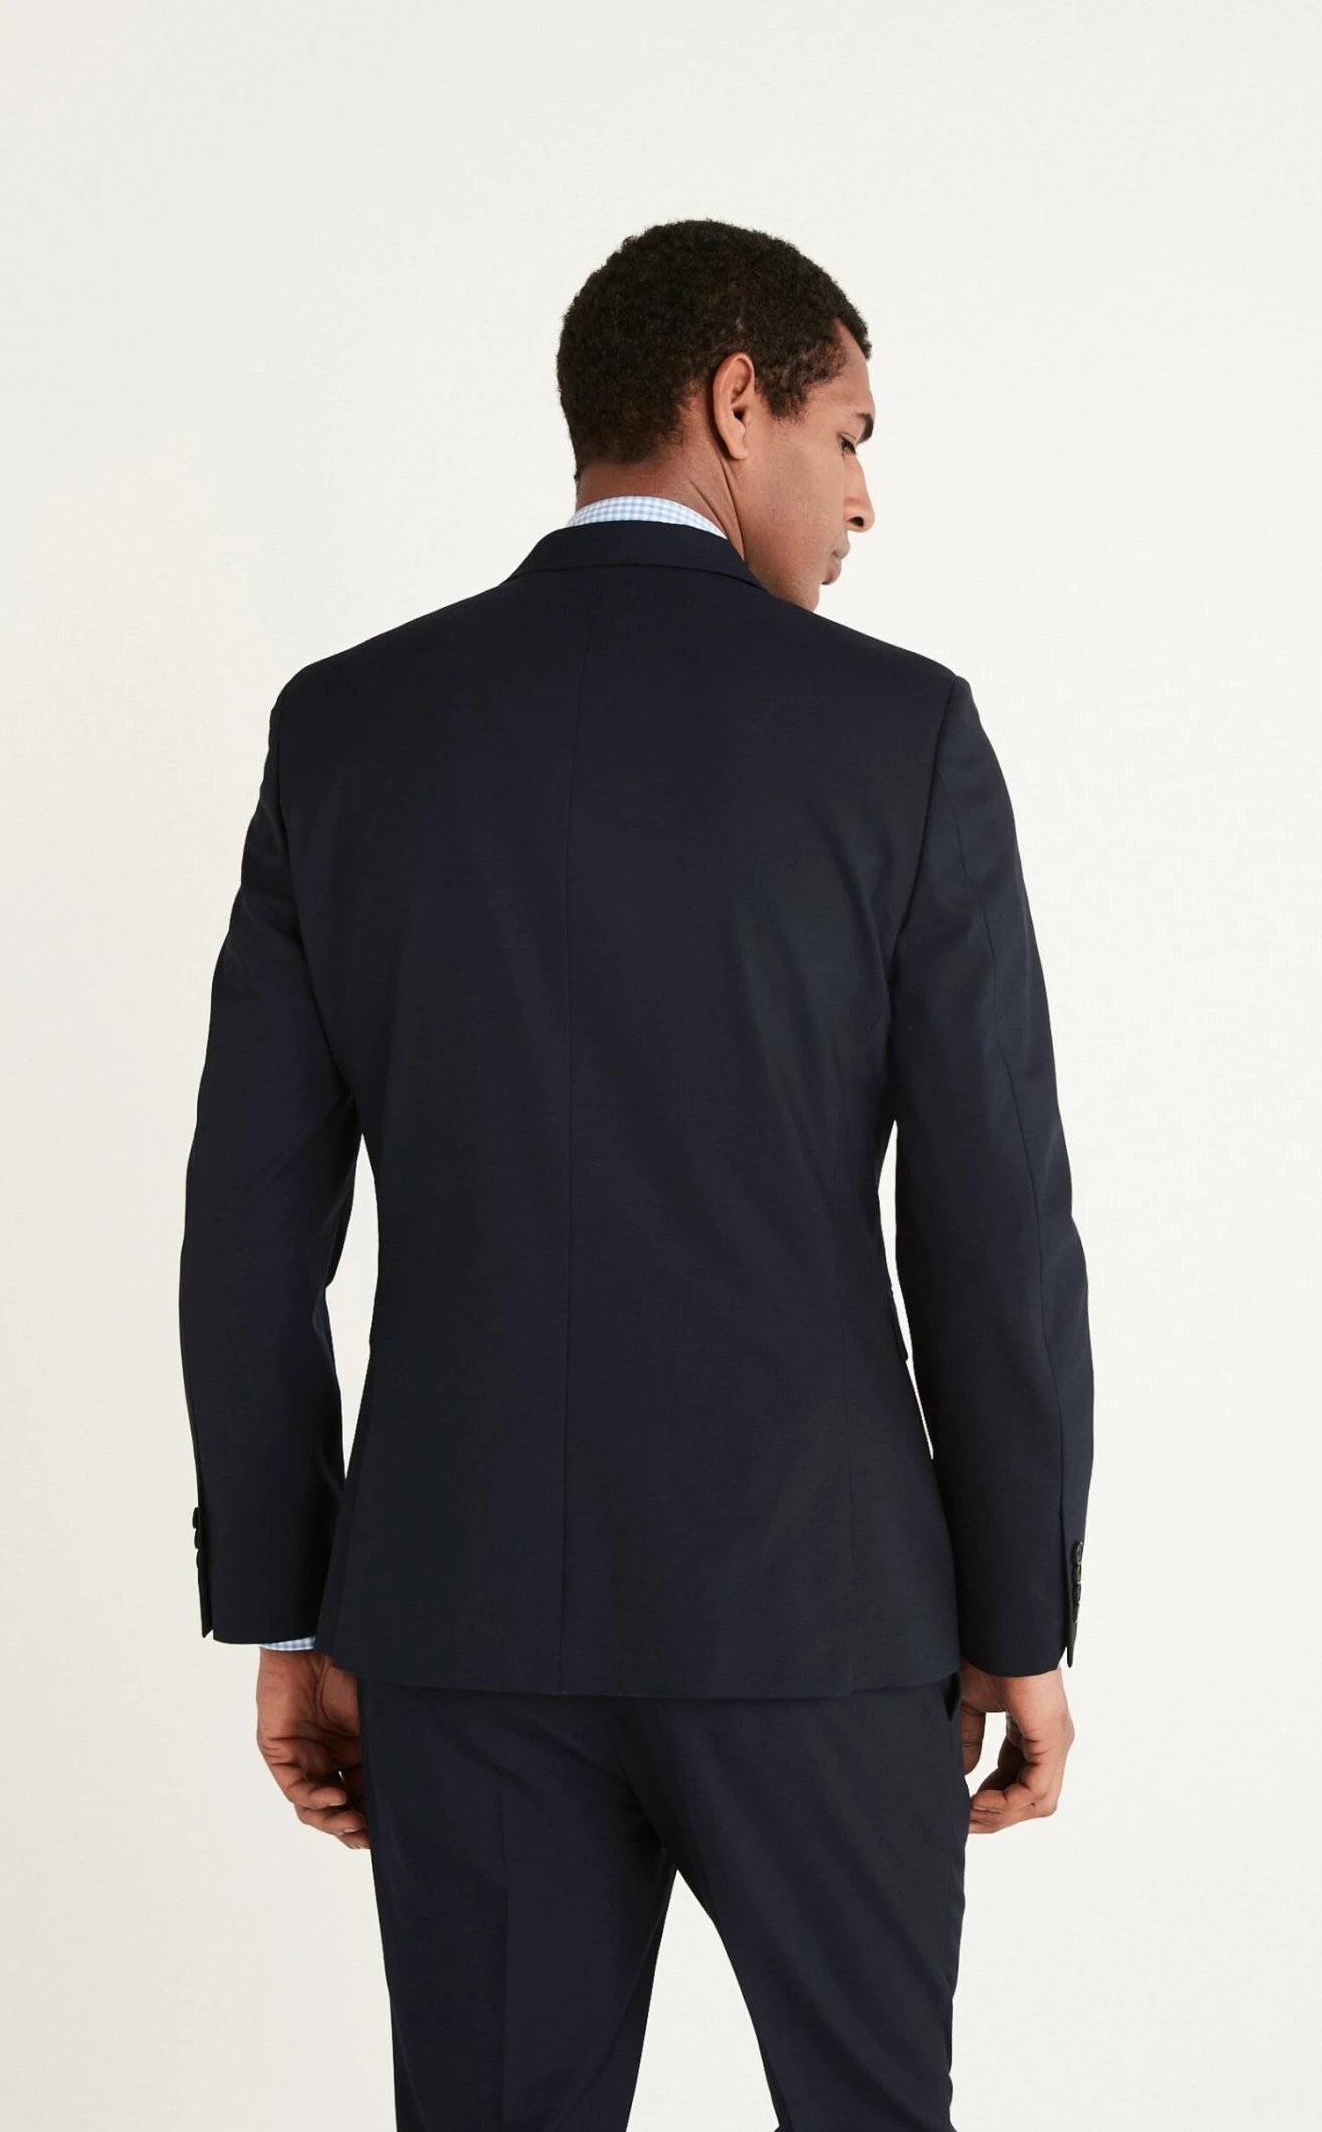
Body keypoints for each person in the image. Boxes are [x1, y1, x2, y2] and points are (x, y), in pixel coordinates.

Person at [179, 217, 1094, 2131]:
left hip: (459, 1618)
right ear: (734, 402)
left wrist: (287, 1600)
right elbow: (995, 1227)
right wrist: (1019, 1617)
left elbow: (249, 1232)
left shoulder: (348, 730)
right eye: (848, 432)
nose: (864, 496)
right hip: (820, 1622)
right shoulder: (901, 737)